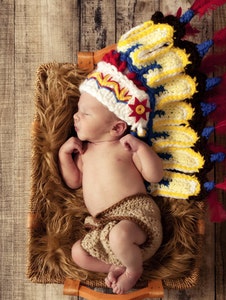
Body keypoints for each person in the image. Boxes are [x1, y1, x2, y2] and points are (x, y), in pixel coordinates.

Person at [58, 86, 163, 294]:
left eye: (86, 113)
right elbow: (73, 182)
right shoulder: (83, 152)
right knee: (77, 253)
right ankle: (118, 265)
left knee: (119, 236)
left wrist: (141, 149)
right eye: (78, 110)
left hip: (135, 219)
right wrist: (64, 155)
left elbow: (155, 176)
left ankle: (133, 270)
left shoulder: (124, 148)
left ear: (116, 128)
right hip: (102, 226)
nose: (76, 116)